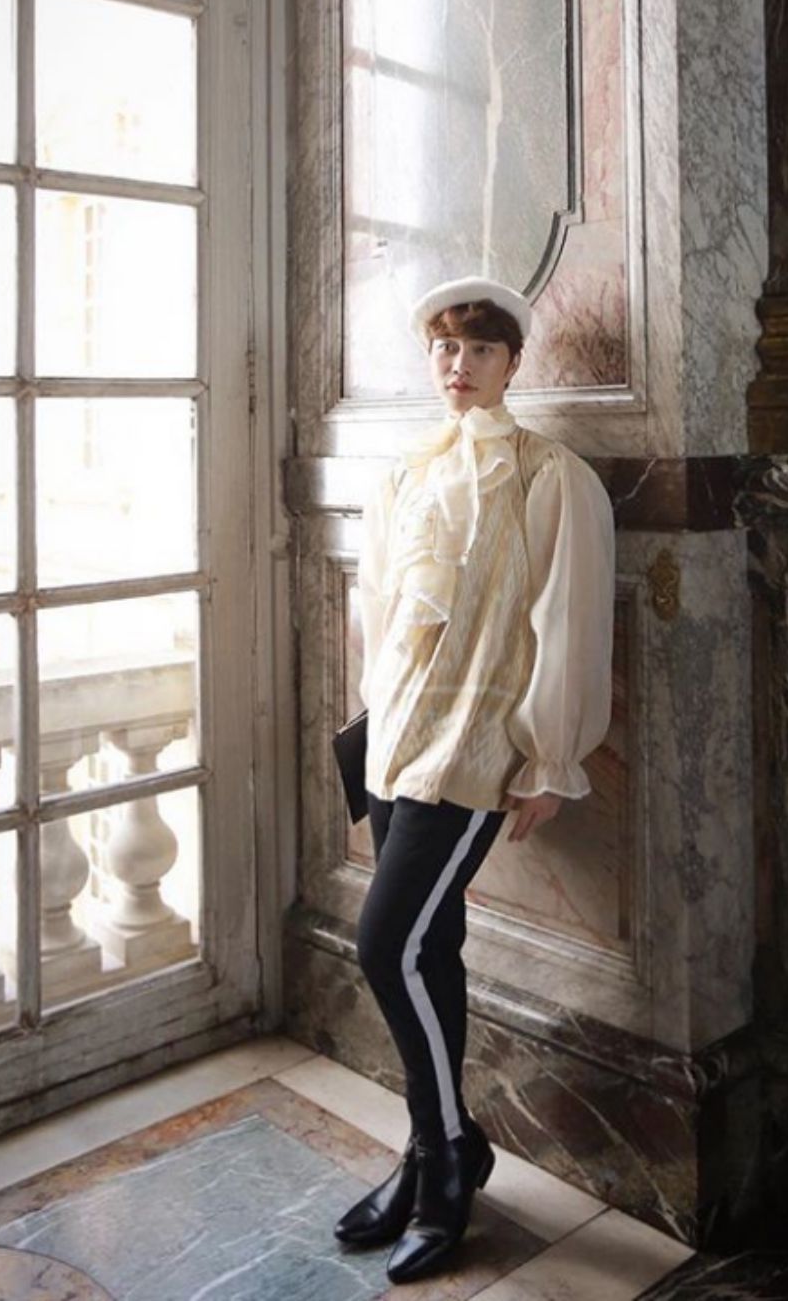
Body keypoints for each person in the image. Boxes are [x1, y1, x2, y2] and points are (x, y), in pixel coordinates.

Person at [333, 275, 616, 1284]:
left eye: (481, 349)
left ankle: (448, 1152)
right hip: (399, 742)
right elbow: (380, 617)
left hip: (476, 750)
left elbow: (567, 619)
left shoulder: (548, 477)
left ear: (512, 362)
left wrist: (550, 756)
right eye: (446, 348)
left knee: (385, 942)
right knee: (431, 945)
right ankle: (431, 1153)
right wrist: (372, 730)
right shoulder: (407, 474)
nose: (459, 365)